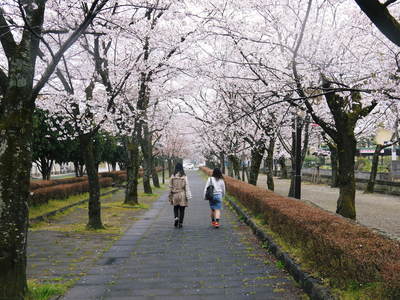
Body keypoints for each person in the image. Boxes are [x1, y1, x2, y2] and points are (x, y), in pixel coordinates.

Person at [169, 163, 192, 228]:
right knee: (182, 209)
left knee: (175, 207)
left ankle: (176, 217)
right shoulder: (184, 176)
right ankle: (181, 223)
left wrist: (170, 195)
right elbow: (187, 186)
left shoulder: (172, 176)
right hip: (182, 194)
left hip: (175, 194)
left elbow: (170, 186)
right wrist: (188, 195)